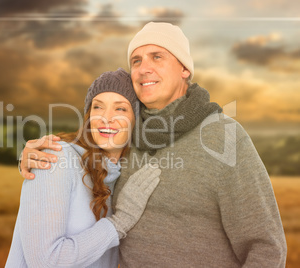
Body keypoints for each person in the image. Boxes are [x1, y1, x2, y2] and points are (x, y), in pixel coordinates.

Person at [19, 22, 287, 267]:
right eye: (136, 60)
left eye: (157, 56)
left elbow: (266, 248)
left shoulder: (224, 136)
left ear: (185, 68)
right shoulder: (128, 135)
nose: (143, 67)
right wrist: (32, 160)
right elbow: (84, 157)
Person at [5, 68, 161, 268]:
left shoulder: (123, 177)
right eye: (98, 107)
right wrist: (119, 222)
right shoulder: (56, 159)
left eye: (120, 109)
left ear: (136, 120)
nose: (106, 117)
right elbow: (45, 262)